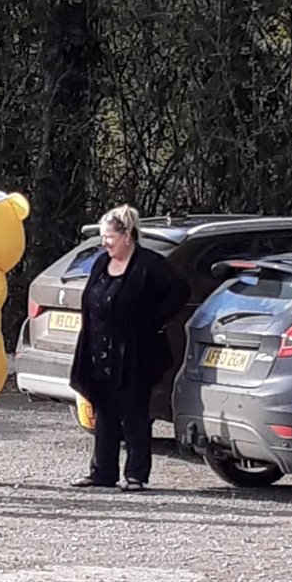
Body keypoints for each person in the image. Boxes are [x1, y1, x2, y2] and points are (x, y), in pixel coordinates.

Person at [69, 204, 188, 491]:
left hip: (136, 352)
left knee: (134, 413)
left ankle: (136, 474)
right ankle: (102, 472)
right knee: (104, 411)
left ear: (127, 235)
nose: (104, 242)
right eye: (102, 236)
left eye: (108, 236)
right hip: (100, 349)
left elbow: (180, 290)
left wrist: (155, 319)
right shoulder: (101, 263)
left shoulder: (150, 264)